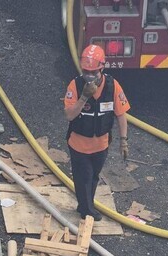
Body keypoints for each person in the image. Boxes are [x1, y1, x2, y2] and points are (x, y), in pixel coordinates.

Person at [63, 44, 130, 221]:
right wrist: (84, 96)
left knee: (93, 177)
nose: (90, 76)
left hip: (101, 145)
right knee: (83, 177)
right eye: (86, 72)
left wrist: (124, 141)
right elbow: (69, 115)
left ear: (102, 68)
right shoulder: (75, 86)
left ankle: (85, 205)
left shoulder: (112, 86)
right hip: (79, 145)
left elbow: (121, 115)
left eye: (94, 72)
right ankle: (87, 210)